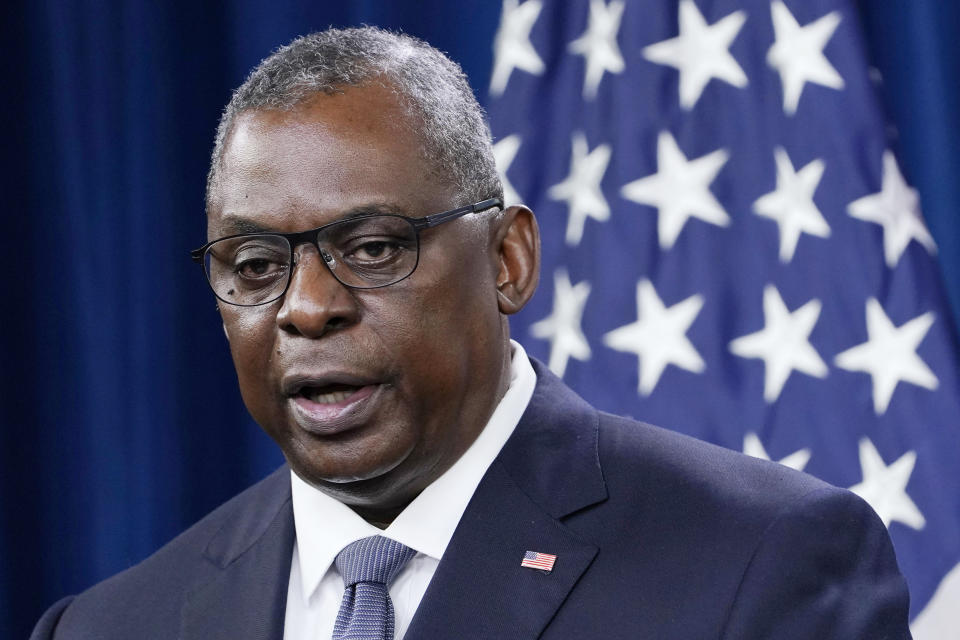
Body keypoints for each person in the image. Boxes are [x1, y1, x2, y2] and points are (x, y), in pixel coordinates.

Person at [31, 26, 911, 639]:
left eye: (371, 248)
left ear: (508, 261)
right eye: (256, 266)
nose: (305, 307)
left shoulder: (759, 569)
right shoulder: (110, 626)